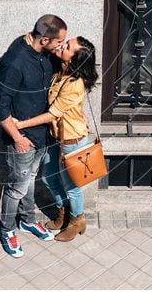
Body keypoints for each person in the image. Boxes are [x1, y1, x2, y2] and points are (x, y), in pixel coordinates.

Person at [0, 14, 68, 258]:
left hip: (42, 134)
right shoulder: (15, 62)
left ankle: (28, 220)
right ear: (44, 39)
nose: (61, 46)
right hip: (23, 138)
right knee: (16, 188)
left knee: (30, 180)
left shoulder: (39, 50)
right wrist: (17, 138)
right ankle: (7, 229)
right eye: (59, 42)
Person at [14, 36, 98, 242]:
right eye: (65, 41)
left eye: (67, 46)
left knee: (73, 186)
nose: (62, 45)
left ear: (74, 58)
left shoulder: (75, 83)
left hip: (72, 140)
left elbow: (53, 114)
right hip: (56, 136)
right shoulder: (60, 69)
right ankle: (63, 211)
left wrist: (21, 125)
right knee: (48, 177)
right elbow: (40, 40)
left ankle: (77, 221)